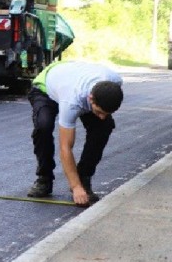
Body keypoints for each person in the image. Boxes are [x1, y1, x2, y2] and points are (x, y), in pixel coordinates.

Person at [27, 61, 123, 206]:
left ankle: (84, 177)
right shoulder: (72, 101)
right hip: (47, 88)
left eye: (106, 113)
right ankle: (44, 178)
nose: (101, 116)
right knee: (43, 127)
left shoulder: (115, 82)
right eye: (99, 112)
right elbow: (65, 147)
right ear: (91, 99)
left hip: (74, 77)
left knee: (104, 126)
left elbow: (103, 112)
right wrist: (75, 187)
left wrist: (80, 184)